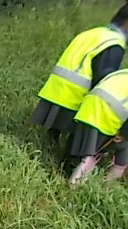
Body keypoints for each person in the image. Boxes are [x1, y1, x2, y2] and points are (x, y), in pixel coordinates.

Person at [31, 4, 128, 138]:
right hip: (74, 98)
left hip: (54, 91)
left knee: (50, 138)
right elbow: (103, 79)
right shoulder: (114, 44)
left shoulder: (93, 33)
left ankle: (52, 136)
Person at [67, 69, 128, 185]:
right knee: (109, 149)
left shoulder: (124, 72)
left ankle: (69, 169)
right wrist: (124, 134)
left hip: (89, 104)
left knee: (86, 145)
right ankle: (107, 183)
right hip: (110, 113)